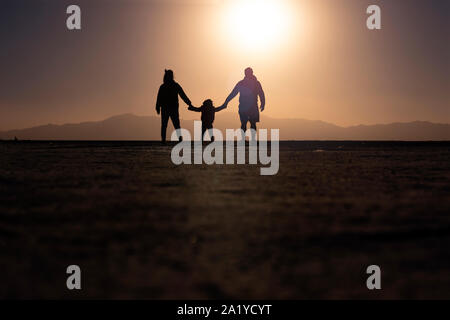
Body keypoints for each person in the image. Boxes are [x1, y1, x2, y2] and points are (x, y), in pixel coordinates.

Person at [222, 67, 265, 138]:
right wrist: (226, 102)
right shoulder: (242, 83)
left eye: (249, 73)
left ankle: (251, 139)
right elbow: (233, 93)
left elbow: (261, 93)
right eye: (247, 73)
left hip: (251, 106)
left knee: (251, 123)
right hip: (244, 107)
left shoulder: (255, 83)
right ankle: (245, 140)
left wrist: (263, 103)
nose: (248, 74)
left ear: (251, 73)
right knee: (245, 123)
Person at [156, 69, 192, 143]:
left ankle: (172, 140)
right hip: (170, 108)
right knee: (170, 124)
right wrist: (158, 106)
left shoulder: (165, 86)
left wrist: (188, 102)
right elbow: (159, 97)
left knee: (170, 125)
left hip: (170, 108)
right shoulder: (169, 86)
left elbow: (182, 95)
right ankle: (166, 140)